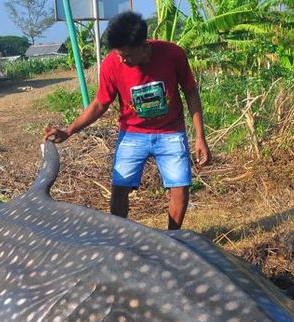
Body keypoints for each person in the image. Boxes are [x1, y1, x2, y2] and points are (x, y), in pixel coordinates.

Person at [44, 11, 210, 230]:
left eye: (127, 55)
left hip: (171, 132)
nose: (122, 59)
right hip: (132, 134)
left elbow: (190, 92)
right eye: (119, 54)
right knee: (119, 187)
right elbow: (100, 103)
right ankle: (120, 237)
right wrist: (69, 130)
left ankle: (173, 238)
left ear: (144, 46)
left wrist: (200, 137)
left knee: (180, 186)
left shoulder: (173, 54)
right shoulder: (112, 63)